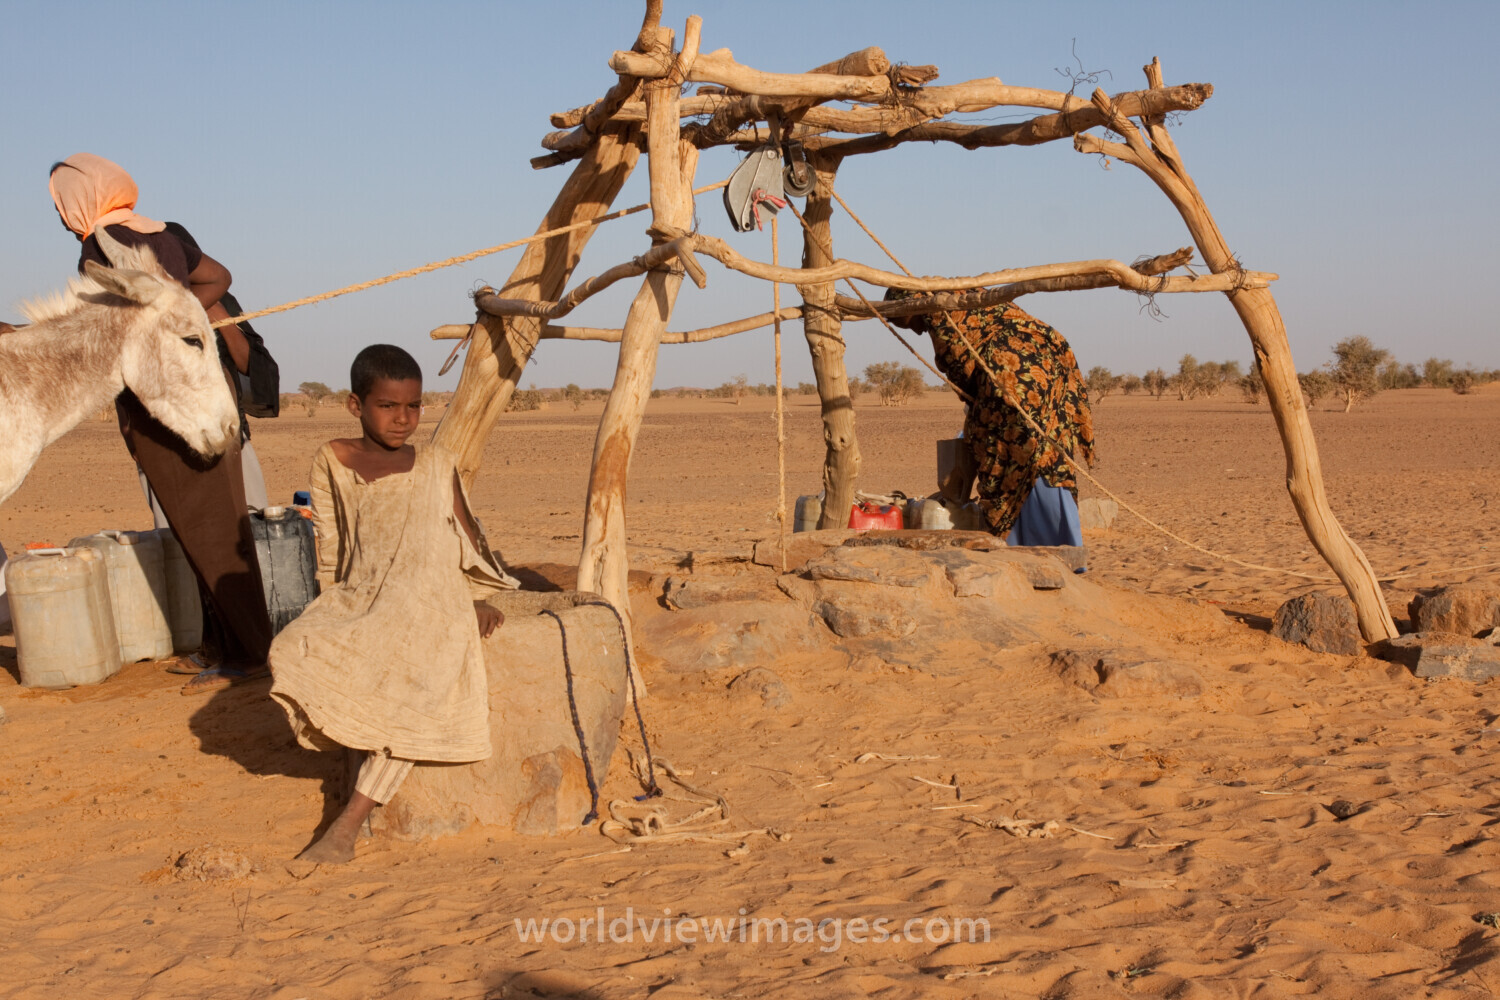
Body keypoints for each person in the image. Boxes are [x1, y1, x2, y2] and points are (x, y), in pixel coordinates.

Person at [269, 345, 518, 863]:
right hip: (365, 594)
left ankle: (348, 823)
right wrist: (335, 608)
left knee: (419, 681)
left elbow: (466, 539)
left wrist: (473, 598)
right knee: (293, 648)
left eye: (414, 407)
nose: (403, 419)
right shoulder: (333, 458)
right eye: (388, 406)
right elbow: (333, 544)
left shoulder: (434, 463)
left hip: (432, 599)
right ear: (355, 405)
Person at [48, 153, 274, 690]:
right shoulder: (159, 232)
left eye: (61, 202)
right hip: (197, 392)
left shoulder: (102, 246)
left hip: (168, 408)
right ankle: (222, 644)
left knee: (210, 529)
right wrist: (183, 316)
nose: (60, 214)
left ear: (79, 200)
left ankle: (251, 652)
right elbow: (218, 277)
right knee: (202, 525)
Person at [885, 289, 1096, 551]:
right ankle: (1065, 546)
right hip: (1049, 361)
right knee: (1050, 455)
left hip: (1011, 379)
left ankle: (1020, 544)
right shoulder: (963, 295)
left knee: (1006, 459)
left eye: (904, 322)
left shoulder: (940, 315)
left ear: (910, 309)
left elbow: (961, 372)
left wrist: (975, 415)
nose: (915, 331)